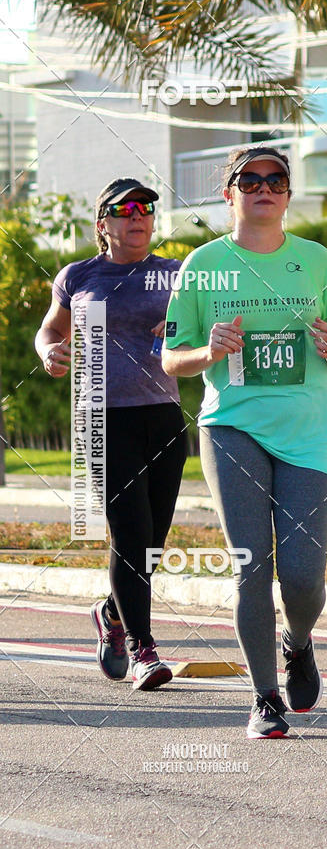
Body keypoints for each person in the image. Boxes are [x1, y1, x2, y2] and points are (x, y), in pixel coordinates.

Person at [162, 146, 327, 737]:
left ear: (288, 194)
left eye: (276, 180)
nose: (264, 188)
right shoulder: (202, 265)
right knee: (252, 566)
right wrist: (210, 349)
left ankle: (297, 641)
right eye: (250, 180)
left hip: (308, 436)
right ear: (229, 195)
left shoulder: (317, 260)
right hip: (232, 427)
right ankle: (264, 698)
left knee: (303, 578)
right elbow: (173, 359)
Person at [35, 178, 187, 690]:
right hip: (101, 416)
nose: (137, 215)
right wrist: (48, 352)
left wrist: (179, 331)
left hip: (163, 413)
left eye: (145, 208)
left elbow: (206, 325)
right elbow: (51, 330)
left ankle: (111, 613)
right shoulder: (79, 275)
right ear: (104, 226)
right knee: (130, 530)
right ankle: (145, 648)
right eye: (124, 210)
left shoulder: (176, 273)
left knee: (154, 542)